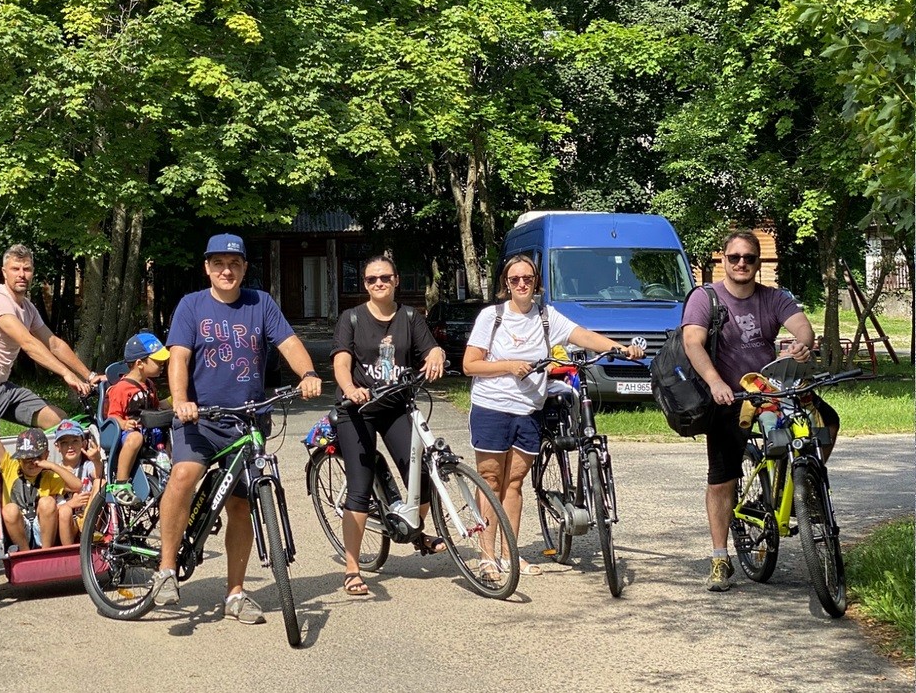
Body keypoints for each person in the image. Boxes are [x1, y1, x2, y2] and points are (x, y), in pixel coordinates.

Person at [149, 233, 323, 624]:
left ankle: (236, 593)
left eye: (235, 264)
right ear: (207, 267)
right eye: (218, 264)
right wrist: (180, 399)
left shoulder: (261, 304)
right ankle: (165, 570)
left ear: (244, 268)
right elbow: (179, 357)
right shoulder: (191, 305)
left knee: (242, 505)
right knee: (183, 475)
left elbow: (290, 343)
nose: (226, 270)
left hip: (248, 420)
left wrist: (308, 373)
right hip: (201, 419)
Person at [461, 254, 644, 580]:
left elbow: (582, 335)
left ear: (536, 283)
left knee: (514, 484)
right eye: (515, 279)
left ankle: (510, 555)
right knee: (491, 482)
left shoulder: (546, 317)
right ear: (506, 282)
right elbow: (470, 365)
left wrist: (620, 348)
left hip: (529, 411)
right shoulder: (492, 317)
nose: (521, 284)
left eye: (527, 279)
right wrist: (508, 365)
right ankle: (486, 557)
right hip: (492, 407)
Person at [0, 244, 102, 585]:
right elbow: (30, 346)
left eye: (27, 269)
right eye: (16, 269)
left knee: (61, 423)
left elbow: (53, 342)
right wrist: (65, 375)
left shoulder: (27, 307)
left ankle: (61, 496)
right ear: (4, 272)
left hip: (2, 387)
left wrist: (87, 374)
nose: (22, 275)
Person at [681, 230, 822, 592]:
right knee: (722, 477)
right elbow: (692, 342)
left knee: (826, 423)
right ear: (723, 261)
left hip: (769, 391)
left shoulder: (774, 298)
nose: (741, 263)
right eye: (734, 258)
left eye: (749, 258)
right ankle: (719, 557)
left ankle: (802, 494)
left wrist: (802, 348)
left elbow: (803, 329)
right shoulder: (705, 297)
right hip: (730, 398)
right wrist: (715, 383)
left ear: (759, 262)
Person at [331, 256, 447, 597]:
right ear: (364, 284)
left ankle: (413, 530)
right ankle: (352, 567)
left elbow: (430, 348)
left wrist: (437, 353)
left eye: (384, 277)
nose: (378, 283)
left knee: (422, 475)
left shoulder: (411, 316)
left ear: (396, 280)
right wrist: (350, 389)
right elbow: (341, 361)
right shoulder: (351, 318)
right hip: (358, 410)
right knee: (360, 487)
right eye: (371, 279)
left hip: (396, 407)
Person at [0, 396, 83, 551]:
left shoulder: (48, 475)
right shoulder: (10, 467)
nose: (32, 462)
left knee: (47, 502)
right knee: (10, 509)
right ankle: (26, 552)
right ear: (20, 457)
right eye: (26, 458)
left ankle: (46, 552)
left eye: (37, 457)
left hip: (43, 527)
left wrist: (50, 465)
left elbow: (77, 486)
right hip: (19, 527)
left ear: (46, 455)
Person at [105, 332, 170, 505]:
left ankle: (170, 478)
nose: (162, 364)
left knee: (173, 431)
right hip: (129, 433)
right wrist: (124, 423)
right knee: (135, 437)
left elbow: (156, 408)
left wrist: (173, 401)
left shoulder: (149, 385)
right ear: (140, 364)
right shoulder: (121, 389)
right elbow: (112, 416)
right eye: (157, 361)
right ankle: (121, 483)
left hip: (150, 430)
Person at [53, 418, 104, 546]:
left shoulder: (87, 466)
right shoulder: (53, 472)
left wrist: (97, 460)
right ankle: (68, 551)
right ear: (57, 447)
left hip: (87, 516)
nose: (70, 446)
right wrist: (70, 504)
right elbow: (50, 509)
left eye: (75, 441)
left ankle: (88, 527)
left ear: (83, 443)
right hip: (66, 521)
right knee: (65, 511)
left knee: (101, 482)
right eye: (64, 443)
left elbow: (98, 474)